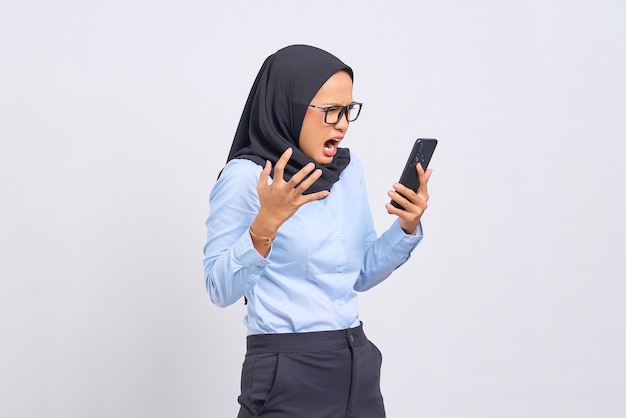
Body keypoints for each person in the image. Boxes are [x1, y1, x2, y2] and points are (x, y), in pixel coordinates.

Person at [203, 44, 432, 418]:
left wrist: (406, 226)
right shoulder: (247, 178)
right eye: (330, 111)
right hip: (287, 371)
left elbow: (358, 274)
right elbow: (219, 289)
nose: (341, 123)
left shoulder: (347, 170)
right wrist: (266, 225)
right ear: (290, 108)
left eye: (347, 111)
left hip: (357, 364)